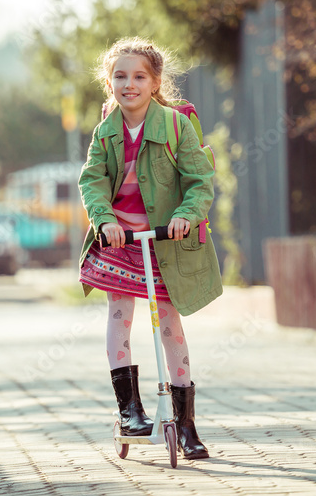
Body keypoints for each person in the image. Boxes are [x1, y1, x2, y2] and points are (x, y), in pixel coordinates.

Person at [78, 36, 223, 460]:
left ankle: (186, 422)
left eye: (139, 76)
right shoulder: (105, 131)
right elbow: (92, 181)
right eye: (119, 76)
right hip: (119, 238)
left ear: (155, 81)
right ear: (109, 84)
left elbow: (200, 180)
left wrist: (186, 215)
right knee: (119, 316)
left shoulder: (176, 125)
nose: (129, 84)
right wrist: (104, 220)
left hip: (164, 242)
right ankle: (129, 410)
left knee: (171, 325)